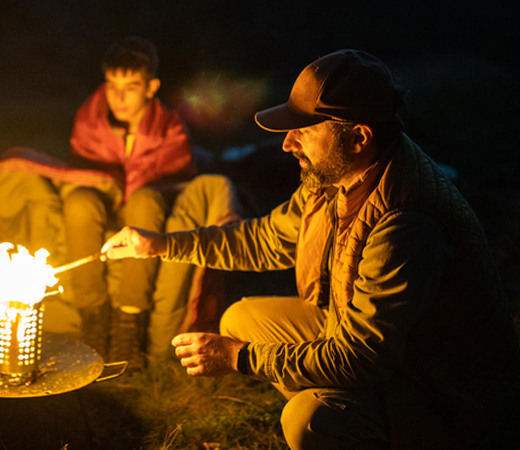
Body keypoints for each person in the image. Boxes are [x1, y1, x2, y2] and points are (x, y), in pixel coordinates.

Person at [102, 49, 520, 449]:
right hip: (383, 349)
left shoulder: (405, 224)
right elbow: (262, 240)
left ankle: (344, 421)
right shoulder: (337, 177)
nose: (288, 143)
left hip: (442, 394)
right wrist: (157, 245)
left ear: (358, 137)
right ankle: (337, 404)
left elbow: (362, 356)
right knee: (241, 318)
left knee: (307, 421)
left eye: (304, 130)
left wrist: (241, 359)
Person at [64, 37, 196, 365]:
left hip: (142, 207)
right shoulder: (89, 119)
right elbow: (79, 170)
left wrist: (140, 189)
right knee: (79, 202)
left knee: (146, 201)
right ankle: (93, 320)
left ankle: (128, 327)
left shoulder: (169, 126)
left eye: (132, 87)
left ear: (151, 88)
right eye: (112, 85)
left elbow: (178, 177)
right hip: (104, 202)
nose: (119, 97)